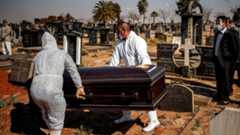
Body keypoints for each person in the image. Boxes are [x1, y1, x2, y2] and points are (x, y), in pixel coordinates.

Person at [30, 32, 86, 135]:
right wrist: (79, 86)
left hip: (35, 91)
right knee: (57, 122)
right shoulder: (61, 53)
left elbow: (31, 74)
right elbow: (73, 70)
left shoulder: (37, 56)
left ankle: (50, 130)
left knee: (45, 112)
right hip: (52, 90)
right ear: (54, 42)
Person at [109, 21, 160, 132]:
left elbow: (144, 58)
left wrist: (142, 74)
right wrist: (109, 71)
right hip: (128, 73)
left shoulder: (138, 41)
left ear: (124, 30)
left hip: (141, 73)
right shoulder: (119, 43)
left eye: (119, 31)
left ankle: (154, 120)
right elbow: (114, 61)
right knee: (122, 94)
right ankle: (126, 115)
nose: (118, 34)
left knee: (146, 97)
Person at [213, 16, 239, 105]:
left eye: (219, 22)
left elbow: (235, 49)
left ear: (224, 23)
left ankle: (225, 98)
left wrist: (230, 59)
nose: (217, 24)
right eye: (217, 22)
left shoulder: (229, 34)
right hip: (217, 60)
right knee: (218, 79)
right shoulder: (217, 33)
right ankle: (219, 95)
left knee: (226, 80)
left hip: (225, 61)